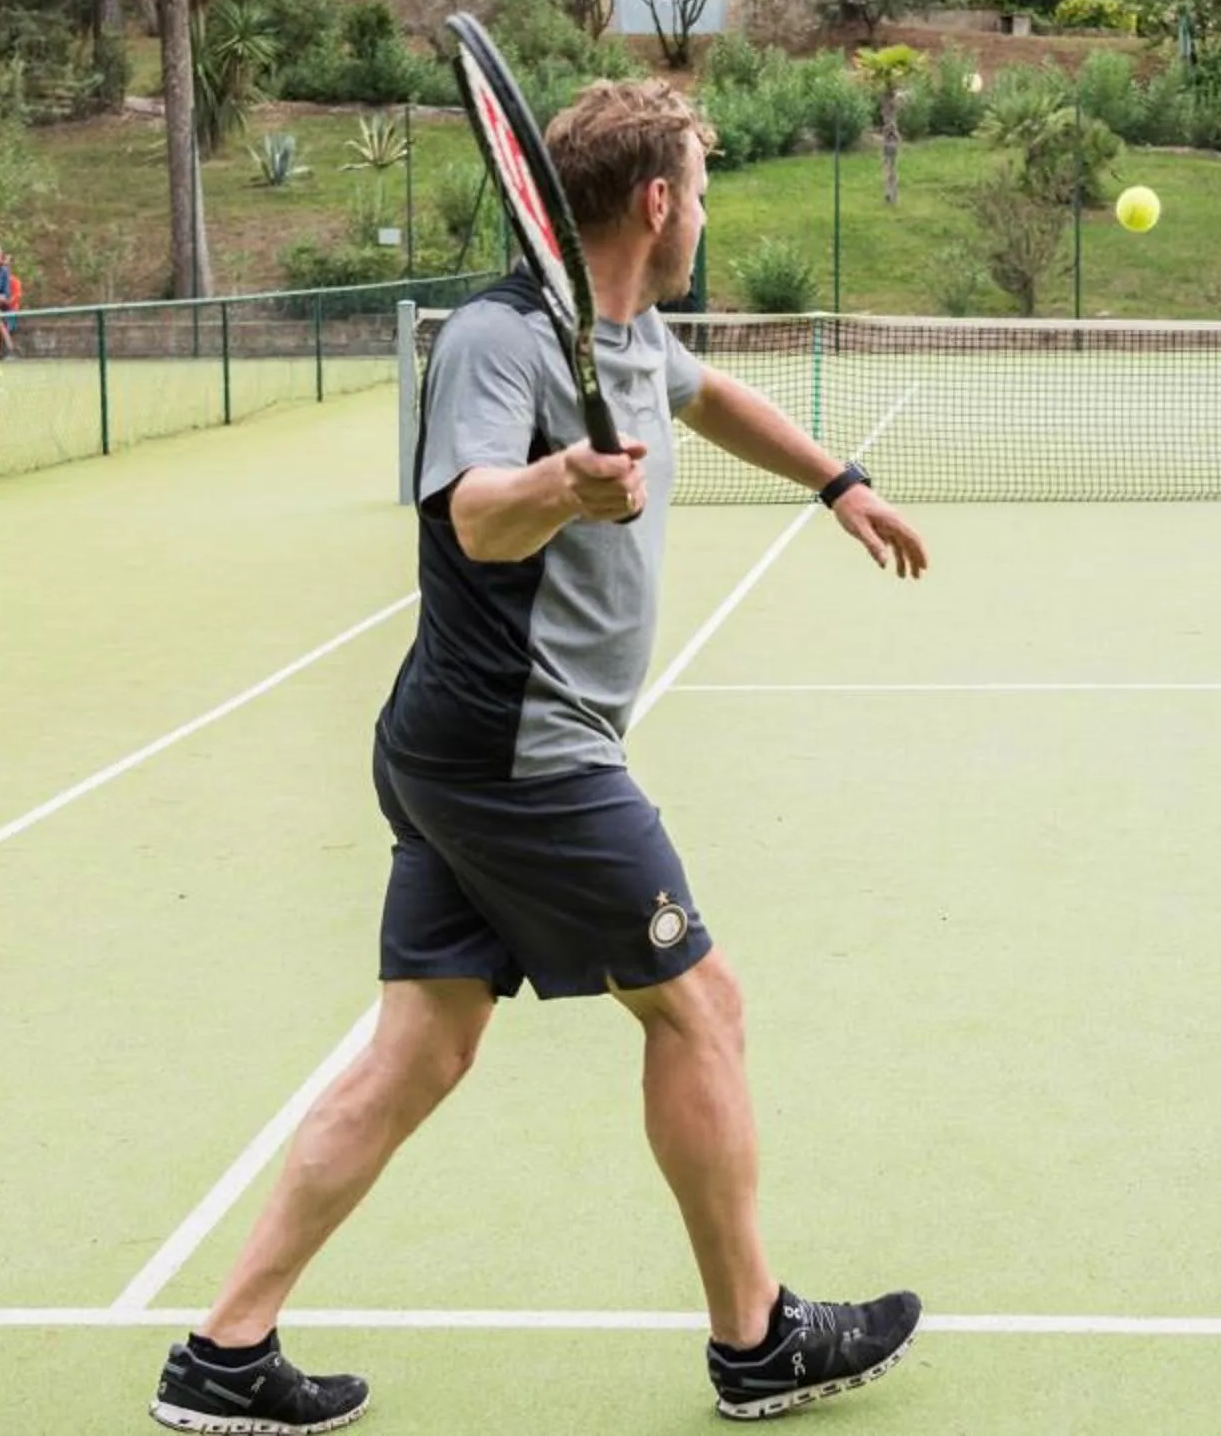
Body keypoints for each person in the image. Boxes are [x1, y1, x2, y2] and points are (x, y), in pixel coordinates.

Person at [150, 79, 933, 1434]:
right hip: (522, 752)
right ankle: (755, 1338)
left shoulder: (621, 328)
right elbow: (471, 518)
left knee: (418, 1050)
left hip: (470, 751)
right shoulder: (503, 343)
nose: (704, 207)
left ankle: (225, 1349)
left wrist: (837, 483)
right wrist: (564, 483)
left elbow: (710, 394)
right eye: (700, 185)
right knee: (703, 1004)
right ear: (655, 201)